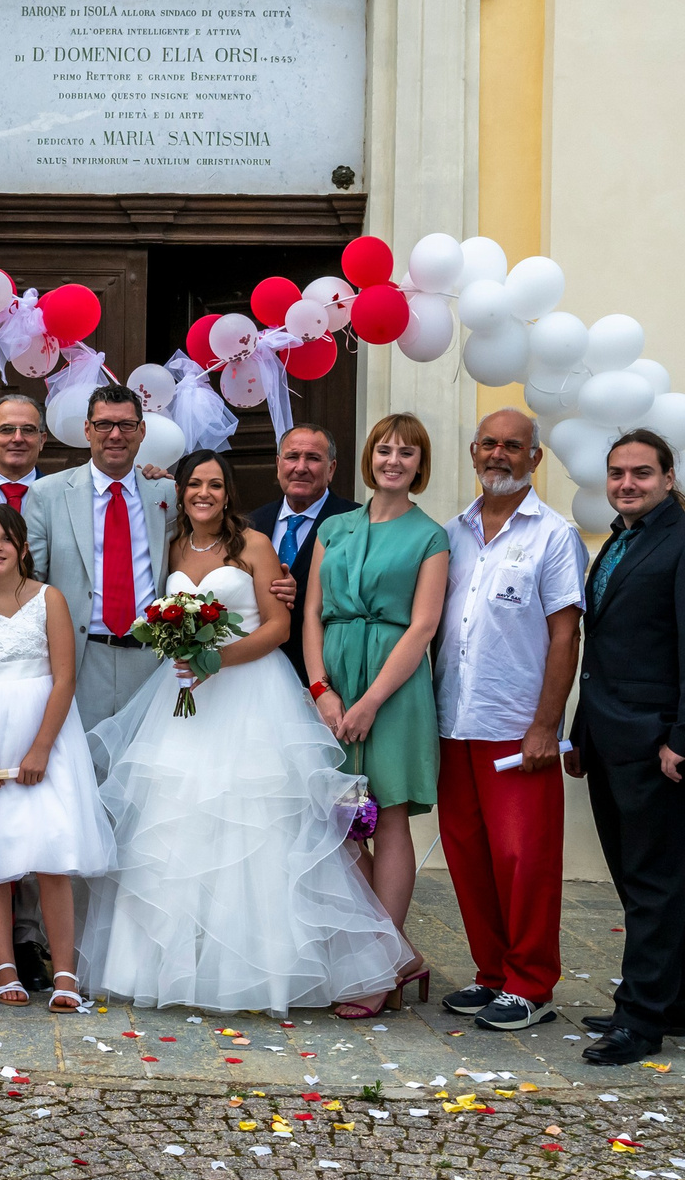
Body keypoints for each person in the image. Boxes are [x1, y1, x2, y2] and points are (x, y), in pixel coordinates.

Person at [80, 449, 418, 1015]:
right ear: (182, 493)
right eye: (194, 485)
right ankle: (176, 968)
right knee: (178, 817)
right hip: (185, 693)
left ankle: (268, 970)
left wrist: (221, 660)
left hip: (249, 693)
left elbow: (279, 623)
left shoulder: (254, 545)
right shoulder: (172, 546)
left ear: (228, 492)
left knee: (255, 824)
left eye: (214, 484)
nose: (204, 494)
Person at [568, 428, 685, 1066]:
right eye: (617, 473)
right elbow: (604, 653)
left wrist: (684, 741)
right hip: (609, 736)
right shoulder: (617, 540)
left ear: (669, 478)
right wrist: (582, 733)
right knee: (638, 881)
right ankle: (673, 1000)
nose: (627, 484)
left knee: (653, 883)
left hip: (657, 744)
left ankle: (641, 1021)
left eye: (641, 473)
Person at [432, 410, 586, 1033]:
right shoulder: (452, 533)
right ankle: (492, 972)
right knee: (467, 853)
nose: (500, 455)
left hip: (516, 724)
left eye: (513, 446)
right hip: (452, 720)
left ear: (535, 458)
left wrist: (547, 724)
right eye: (490, 444)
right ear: (473, 453)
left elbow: (565, 635)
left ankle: (531, 981)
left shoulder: (554, 535)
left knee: (524, 856)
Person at [0, 503, 111, 1011]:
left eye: (6, 538)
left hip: (44, 735)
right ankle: (4, 966)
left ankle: (65, 971)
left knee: (52, 854)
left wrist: (41, 747)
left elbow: (65, 678)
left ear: (23, 546)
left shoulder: (48, 599)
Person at [302, 413, 450, 944]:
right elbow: (312, 613)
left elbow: (424, 626)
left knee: (388, 813)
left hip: (394, 686)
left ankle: (384, 957)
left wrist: (369, 702)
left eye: (406, 453)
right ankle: (384, 951)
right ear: (369, 458)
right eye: (385, 450)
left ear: (420, 466)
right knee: (332, 817)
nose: (394, 461)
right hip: (335, 675)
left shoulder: (431, 536)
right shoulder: (333, 529)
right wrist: (322, 689)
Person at [25, 384, 176, 730]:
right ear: (87, 430)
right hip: (79, 658)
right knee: (82, 773)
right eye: (104, 424)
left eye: (126, 425)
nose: (115, 435)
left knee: (144, 773)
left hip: (151, 658)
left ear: (142, 431)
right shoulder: (47, 495)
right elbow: (31, 584)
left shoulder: (167, 494)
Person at [249, 423, 358, 678]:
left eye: (313, 458)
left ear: (331, 469)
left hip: (329, 674)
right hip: (257, 674)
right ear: (278, 464)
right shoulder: (250, 524)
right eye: (292, 457)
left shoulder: (356, 521)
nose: (300, 467)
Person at [0, 392, 46, 514]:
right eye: (7, 430)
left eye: (28, 430)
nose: (18, 438)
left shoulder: (59, 495)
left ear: (42, 440)